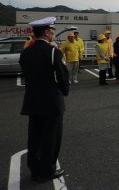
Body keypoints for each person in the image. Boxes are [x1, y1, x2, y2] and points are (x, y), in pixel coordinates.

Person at [19, 17, 69, 182]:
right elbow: (62, 76)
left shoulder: (26, 52)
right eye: (52, 31)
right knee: (51, 138)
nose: (54, 34)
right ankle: (47, 172)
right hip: (51, 101)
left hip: (33, 100)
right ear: (47, 32)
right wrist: (64, 91)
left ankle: (35, 170)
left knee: (34, 137)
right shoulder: (53, 51)